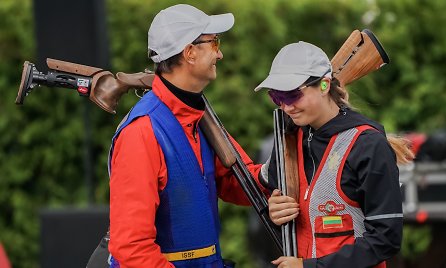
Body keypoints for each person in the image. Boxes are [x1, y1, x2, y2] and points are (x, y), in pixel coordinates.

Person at [107, 4, 265, 267]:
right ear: (190, 52)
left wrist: (275, 184)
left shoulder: (197, 116)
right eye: (214, 43)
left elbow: (235, 180)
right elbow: (132, 247)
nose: (221, 54)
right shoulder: (142, 132)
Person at [254, 41, 413, 268]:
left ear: (324, 85)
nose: (286, 107)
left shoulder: (368, 145)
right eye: (277, 97)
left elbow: (386, 240)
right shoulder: (289, 140)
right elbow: (267, 195)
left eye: (292, 95)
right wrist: (274, 209)